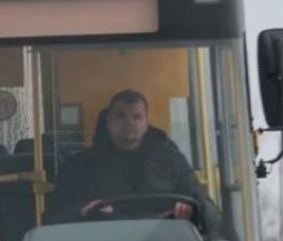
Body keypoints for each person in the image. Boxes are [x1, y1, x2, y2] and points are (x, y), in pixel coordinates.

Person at [51, 89, 218, 231]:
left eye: (136, 117)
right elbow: (55, 218)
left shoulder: (174, 161)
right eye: (121, 116)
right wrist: (83, 212)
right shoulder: (79, 166)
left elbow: (207, 210)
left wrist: (193, 211)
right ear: (108, 121)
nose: (129, 122)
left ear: (146, 123)